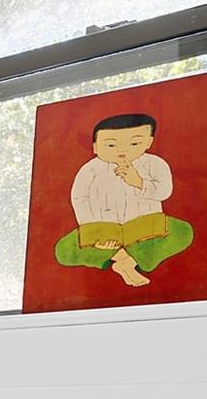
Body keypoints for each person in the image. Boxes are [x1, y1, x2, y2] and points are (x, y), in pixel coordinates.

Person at [55, 112, 193, 287]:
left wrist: (138, 182)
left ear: (149, 142)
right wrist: (93, 231)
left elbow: (164, 192)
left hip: (145, 227)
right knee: (64, 250)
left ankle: (127, 262)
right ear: (95, 147)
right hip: (103, 229)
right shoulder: (89, 170)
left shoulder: (155, 164)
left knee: (183, 232)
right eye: (111, 144)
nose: (122, 150)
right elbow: (80, 198)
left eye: (134, 143)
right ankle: (120, 257)